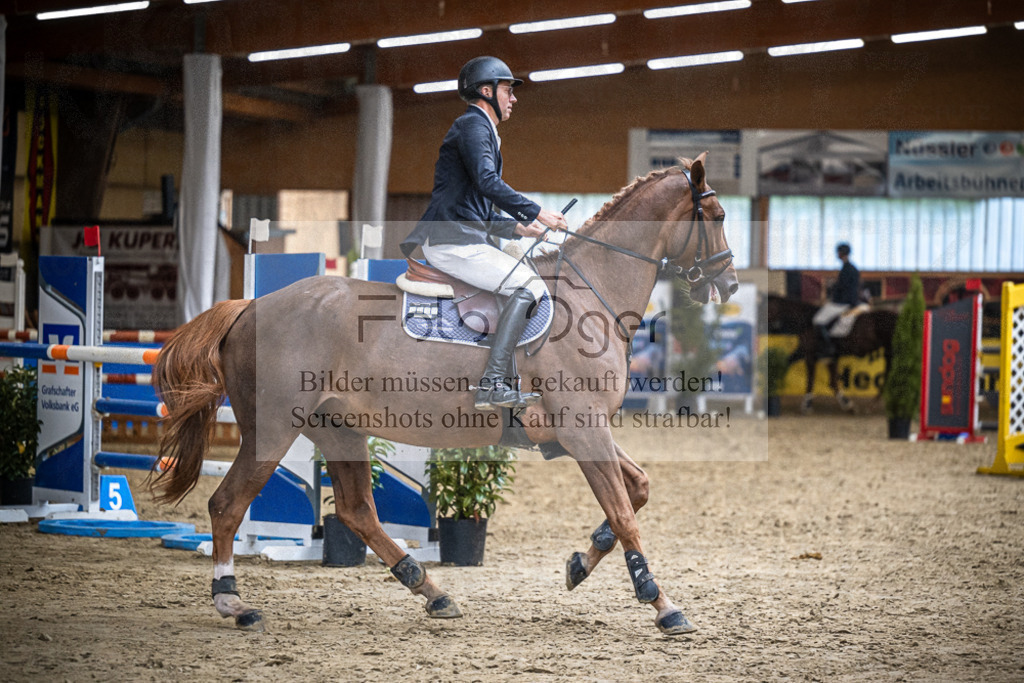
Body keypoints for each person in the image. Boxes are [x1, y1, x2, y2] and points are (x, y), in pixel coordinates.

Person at [400, 56, 568, 411]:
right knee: (528, 286)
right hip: (452, 242)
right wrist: (535, 210)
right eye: (508, 90)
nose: (514, 98)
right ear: (487, 91)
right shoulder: (473, 126)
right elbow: (487, 182)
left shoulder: (481, 130)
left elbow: (473, 206)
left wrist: (518, 226)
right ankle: (493, 383)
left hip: (462, 234)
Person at [812, 242, 861, 356]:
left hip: (843, 302)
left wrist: (832, 286)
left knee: (818, 320)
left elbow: (842, 287)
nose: (837, 254)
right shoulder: (851, 268)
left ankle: (828, 346)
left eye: (838, 252)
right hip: (850, 301)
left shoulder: (847, 269)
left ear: (841, 253)